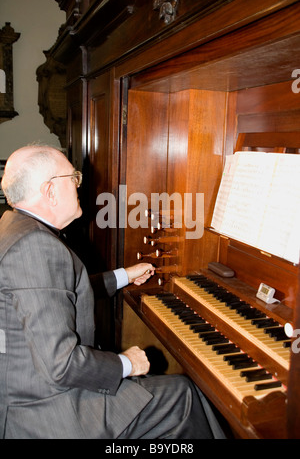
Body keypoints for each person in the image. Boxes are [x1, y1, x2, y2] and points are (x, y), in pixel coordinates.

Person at [0, 144, 226, 439]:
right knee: (180, 396)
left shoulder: (14, 227)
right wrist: (127, 363)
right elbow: (61, 364)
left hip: (27, 394)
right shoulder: (35, 246)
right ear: (50, 191)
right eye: (74, 177)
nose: (79, 184)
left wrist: (124, 275)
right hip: (47, 413)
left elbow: (56, 295)